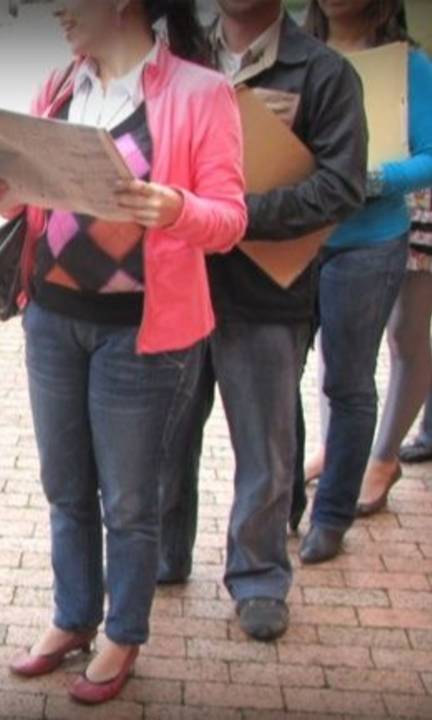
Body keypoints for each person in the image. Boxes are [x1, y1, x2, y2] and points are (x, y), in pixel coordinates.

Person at [0, 0, 246, 704]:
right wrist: (4, 192)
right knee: (64, 486)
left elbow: (230, 218)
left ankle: (123, 632)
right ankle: (73, 618)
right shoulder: (59, 85)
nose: (58, 10)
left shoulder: (201, 92)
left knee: (129, 500)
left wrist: (177, 208)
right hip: (52, 320)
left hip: (142, 334)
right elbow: (32, 201)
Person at [156, 0, 367, 642]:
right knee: (164, 437)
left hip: (266, 293)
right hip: (178, 280)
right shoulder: (177, 56)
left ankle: (259, 577)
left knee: (266, 450)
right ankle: (163, 555)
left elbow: (341, 186)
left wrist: (232, 214)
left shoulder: (322, 72)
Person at [297, 0, 432, 562]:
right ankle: (285, 500)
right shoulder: (295, 53)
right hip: (295, 237)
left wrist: (370, 177)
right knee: (279, 376)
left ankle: (332, 514)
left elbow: (428, 156)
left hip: (369, 240)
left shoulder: (407, 66)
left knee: (350, 379)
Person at [361, 186, 432, 512]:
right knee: (343, 325)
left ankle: (383, 459)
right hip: (366, 202)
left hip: (420, 204)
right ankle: (336, 449)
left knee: (406, 331)